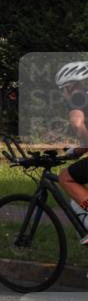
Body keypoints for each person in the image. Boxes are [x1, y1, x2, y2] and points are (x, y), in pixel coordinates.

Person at [56, 61, 88, 244]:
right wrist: (78, 150)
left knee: (65, 177)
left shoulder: (78, 97)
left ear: (70, 86)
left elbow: (77, 123)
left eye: (62, 89)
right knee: (79, 199)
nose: (63, 94)